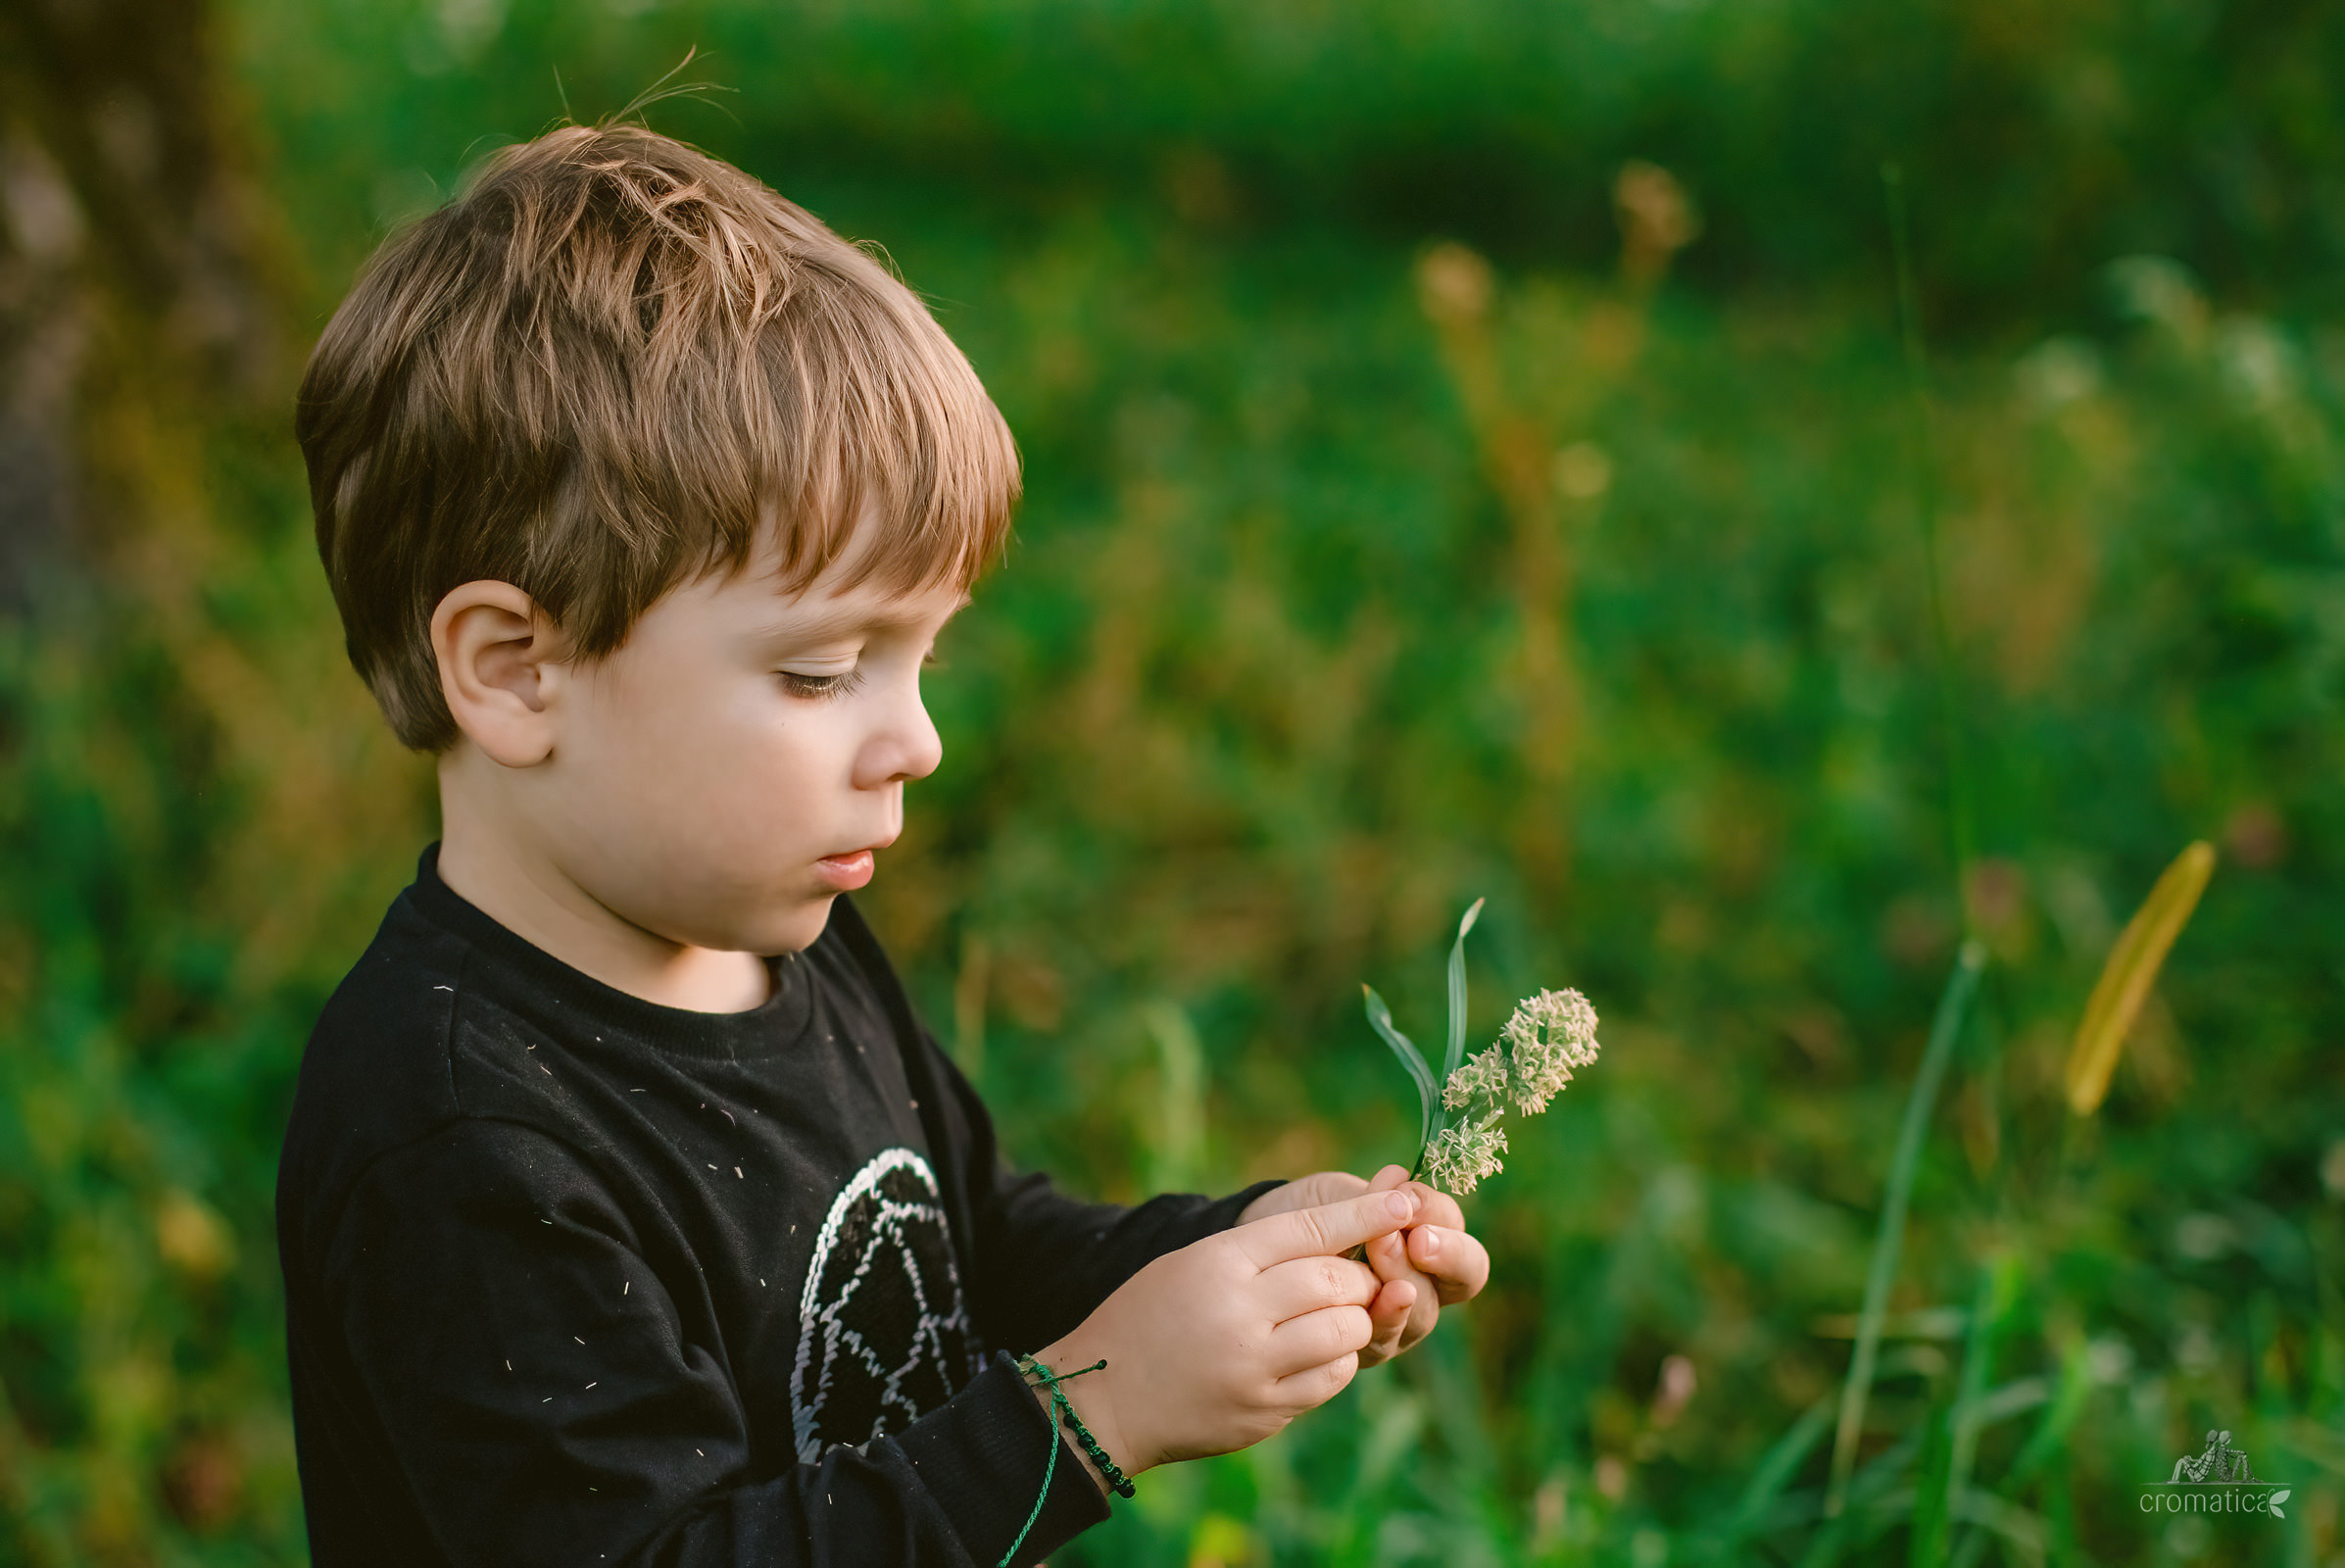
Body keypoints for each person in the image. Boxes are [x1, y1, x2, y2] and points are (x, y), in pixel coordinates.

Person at [276, 122, 1490, 1567]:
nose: (912, 739)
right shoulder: (462, 1140)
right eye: (818, 672)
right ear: (516, 668)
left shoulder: (785, 943)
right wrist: (1089, 1414)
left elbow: (973, 1244)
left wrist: (1237, 1255)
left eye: (922, 660)